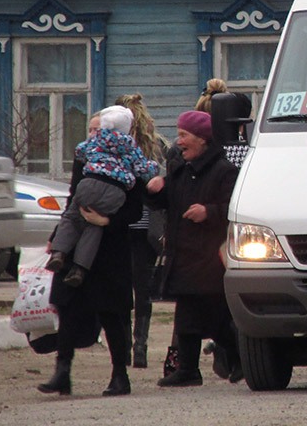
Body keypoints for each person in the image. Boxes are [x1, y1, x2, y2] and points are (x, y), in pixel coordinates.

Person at [37, 112, 145, 397]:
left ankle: (119, 375)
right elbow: (74, 198)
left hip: (111, 251)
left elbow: (135, 210)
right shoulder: (85, 156)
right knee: (68, 306)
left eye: (99, 129)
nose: (95, 134)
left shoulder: (130, 160)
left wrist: (108, 222)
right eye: (91, 129)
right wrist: (57, 236)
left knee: (112, 313)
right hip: (75, 247)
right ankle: (62, 372)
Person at [146, 110, 241, 387]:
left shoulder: (224, 171)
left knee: (215, 321)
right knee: (187, 318)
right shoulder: (181, 171)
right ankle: (189, 370)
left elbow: (235, 210)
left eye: (184, 135)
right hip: (183, 255)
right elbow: (166, 204)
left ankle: (241, 359)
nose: (179, 142)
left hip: (209, 258)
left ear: (202, 139)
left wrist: (208, 212)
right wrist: (154, 190)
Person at [46, 105, 159, 288]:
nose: (92, 133)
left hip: (89, 185)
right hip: (116, 193)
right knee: (93, 229)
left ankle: (59, 253)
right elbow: (144, 169)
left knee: (72, 216)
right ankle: (80, 269)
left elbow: (80, 152)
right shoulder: (131, 148)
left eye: (95, 129)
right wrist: (153, 171)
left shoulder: (94, 144)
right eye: (90, 129)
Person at [114, 93, 169, 369]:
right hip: (147, 227)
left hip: (121, 224)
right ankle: (140, 350)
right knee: (143, 291)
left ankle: (122, 349)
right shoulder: (156, 145)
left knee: (121, 288)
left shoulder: (112, 146)